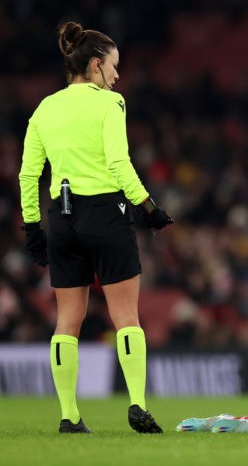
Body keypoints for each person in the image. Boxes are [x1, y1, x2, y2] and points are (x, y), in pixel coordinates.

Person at [18, 22, 173, 434]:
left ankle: (69, 416)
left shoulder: (45, 108)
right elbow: (119, 163)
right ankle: (138, 405)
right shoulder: (110, 104)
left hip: (61, 221)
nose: (118, 76)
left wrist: (33, 227)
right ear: (96, 65)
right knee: (126, 317)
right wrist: (149, 207)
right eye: (115, 67)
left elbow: (27, 175)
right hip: (105, 213)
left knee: (67, 321)